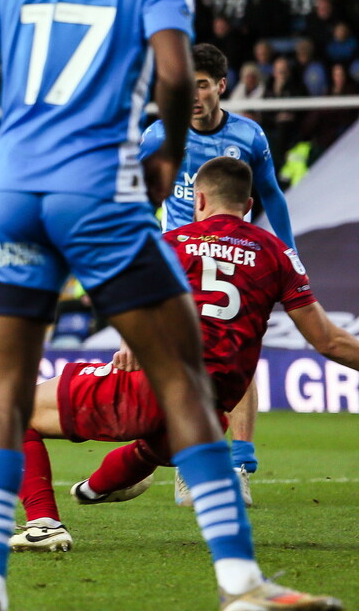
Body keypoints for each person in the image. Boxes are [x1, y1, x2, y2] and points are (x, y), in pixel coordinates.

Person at [0, 0, 336, 610]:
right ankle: (241, 585)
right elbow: (176, 77)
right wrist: (172, 157)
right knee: (182, 380)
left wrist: (14, 81)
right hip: (98, 192)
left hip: (14, 195)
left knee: (6, 394)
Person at [13, 158, 351, 610]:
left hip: (152, 385)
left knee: (13, 409)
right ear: (249, 205)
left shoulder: (171, 242)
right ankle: (97, 487)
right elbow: (329, 341)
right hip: (209, 417)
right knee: (158, 443)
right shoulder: (276, 254)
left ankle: (43, 525)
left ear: (200, 200)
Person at [140, 43, 295, 497]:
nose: (193, 94)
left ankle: (240, 466)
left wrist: (290, 252)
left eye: (202, 84)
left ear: (220, 86)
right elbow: (140, 196)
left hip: (234, 258)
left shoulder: (249, 136)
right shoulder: (158, 135)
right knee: (178, 362)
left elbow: (272, 196)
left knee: (240, 357)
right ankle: (186, 460)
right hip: (179, 261)